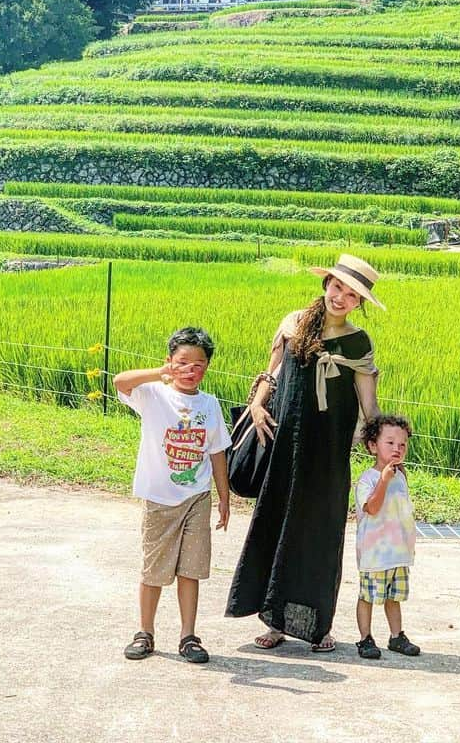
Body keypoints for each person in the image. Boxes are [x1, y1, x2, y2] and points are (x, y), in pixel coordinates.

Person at [226, 254, 383, 652]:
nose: (341, 297)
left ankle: (319, 627)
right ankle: (273, 622)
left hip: (328, 452)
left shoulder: (358, 342)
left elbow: (369, 404)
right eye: (337, 287)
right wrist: (258, 404)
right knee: (275, 524)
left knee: (321, 533)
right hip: (285, 442)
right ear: (326, 283)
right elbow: (271, 373)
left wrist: (378, 445)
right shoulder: (295, 322)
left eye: (352, 295)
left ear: (359, 303)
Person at [114, 327, 232, 664]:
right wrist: (159, 374)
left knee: (191, 569)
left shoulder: (209, 405)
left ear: (207, 367)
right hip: (160, 498)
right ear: (169, 362)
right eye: (182, 363)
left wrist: (224, 497)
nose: (190, 371)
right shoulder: (153, 394)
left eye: (199, 364)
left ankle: (188, 636)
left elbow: (217, 453)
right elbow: (121, 382)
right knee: (154, 568)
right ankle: (145, 632)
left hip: (197, 496)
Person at [354, 413, 420, 659]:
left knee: (394, 598)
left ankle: (396, 636)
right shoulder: (368, 479)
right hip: (374, 554)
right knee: (368, 597)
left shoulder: (401, 476)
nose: (397, 448)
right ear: (373, 446)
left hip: (397, 553)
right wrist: (383, 481)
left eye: (402, 444)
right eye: (390, 443)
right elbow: (371, 507)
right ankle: (365, 638)